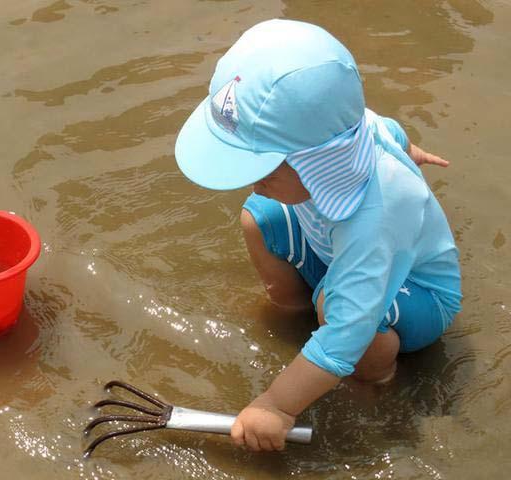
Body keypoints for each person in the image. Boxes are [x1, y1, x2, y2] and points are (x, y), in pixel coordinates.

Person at [174, 19, 462, 452]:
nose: (253, 182)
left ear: (319, 163)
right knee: (259, 216)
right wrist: (410, 150)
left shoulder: (375, 217)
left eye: (264, 171)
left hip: (418, 294)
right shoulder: (342, 128)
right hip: (338, 250)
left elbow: (348, 329)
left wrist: (276, 405)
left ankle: (377, 375)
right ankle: (292, 309)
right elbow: (388, 129)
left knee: (338, 309)